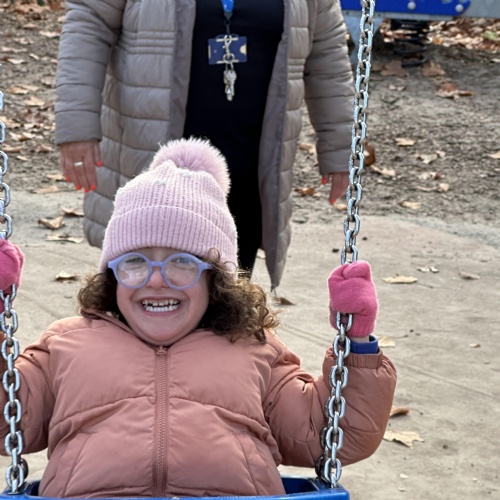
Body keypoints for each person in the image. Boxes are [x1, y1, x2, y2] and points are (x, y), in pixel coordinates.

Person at [0, 139, 396, 498]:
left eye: (182, 263)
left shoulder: (253, 350)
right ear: (112, 275)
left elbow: (334, 437)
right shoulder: (67, 345)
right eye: (135, 262)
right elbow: (6, 423)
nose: (156, 280)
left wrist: (356, 340)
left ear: (216, 279)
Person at [55, 0, 355, 290]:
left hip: (252, 166)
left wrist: (340, 147)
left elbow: (327, 52)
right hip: (151, 158)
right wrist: (77, 127)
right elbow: (88, 24)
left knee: (228, 295)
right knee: (147, 287)